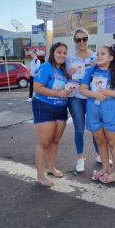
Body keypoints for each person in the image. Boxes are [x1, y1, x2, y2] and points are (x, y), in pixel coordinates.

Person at [80, 46, 115, 184]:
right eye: (98, 54)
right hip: (93, 111)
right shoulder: (90, 71)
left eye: (103, 54)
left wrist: (109, 93)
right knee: (100, 142)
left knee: (113, 142)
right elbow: (82, 89)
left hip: (111, 111)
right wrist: (94, 94)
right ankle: (105, 168)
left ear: (111, 58)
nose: (99, 56)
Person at [32, 42, 74, 187]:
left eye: (64, 52)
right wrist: (59, 93)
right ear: (52, 53)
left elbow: (65, 89)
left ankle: (51, 167)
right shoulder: (46, 67)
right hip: (44, 107)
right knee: (44, 143)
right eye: (59, 52)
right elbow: (37, 88)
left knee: (55, 141)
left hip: (61, 109)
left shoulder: (63, 71)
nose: (62, 55)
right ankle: (40, 175)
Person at [66, 28, 102, 173]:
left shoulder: (95, 56)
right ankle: (80, 158)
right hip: (76, 97)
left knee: (95, 128)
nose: (82, 42)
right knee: (79, 129)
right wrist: (69, 73)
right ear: (75, 41)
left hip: (92, 97)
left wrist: (96, 67)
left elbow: (103, 74)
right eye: (78, 39)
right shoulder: (70, 58)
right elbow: (66, 78)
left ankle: (100, 154)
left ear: (88, 39)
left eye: (84, 39)